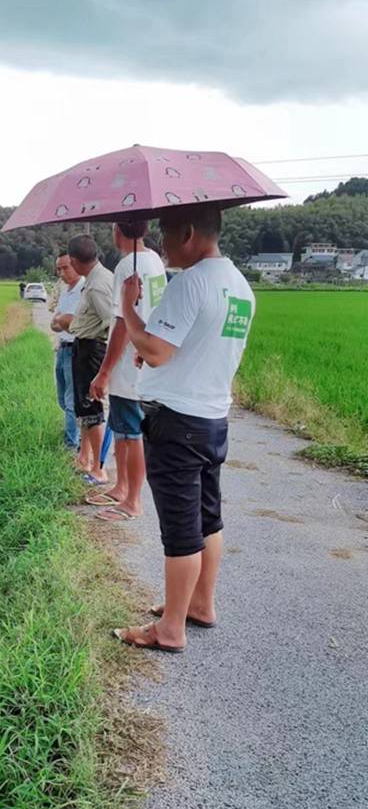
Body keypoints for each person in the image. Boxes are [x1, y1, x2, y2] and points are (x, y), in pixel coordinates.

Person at [112, 202, 255, 653]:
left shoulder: (190, 283)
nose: (164, 246)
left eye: (168, 235)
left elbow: (154, 349)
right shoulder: (240, 287)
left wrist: (128, 309)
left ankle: (170, 629)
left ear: (189, 232)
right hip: (214, 419)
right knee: (208, 519)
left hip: (177, 423)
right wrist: (152, 352)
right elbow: (194, 347)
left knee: (180, 529)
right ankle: (200, 604)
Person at [88, 220, 166, 520]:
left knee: (131, 433)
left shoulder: (126, 267)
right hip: (142, 358)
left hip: (129, 362)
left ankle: (132, 500)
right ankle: (121, 487)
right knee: (122, 428)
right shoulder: (155, 260)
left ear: (117, 232)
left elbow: (122, 323)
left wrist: (104, 371)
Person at [52, 234, 114, 485]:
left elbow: (112, 324)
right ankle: (84, 457)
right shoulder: (95, 279)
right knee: (82, 407)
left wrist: (71, 322)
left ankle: (99, 468)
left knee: (91, 408)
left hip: (92, 348)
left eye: (68, 264)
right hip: (82, 346)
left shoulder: (98, 284)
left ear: (76, 261)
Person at [50, 255, 84, 451]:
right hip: (62, 347)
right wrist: (62, 321)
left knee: (71, 399)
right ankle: (77, 435)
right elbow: (55, 323)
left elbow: (72, 323)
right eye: (59, 269)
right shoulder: (65, 291)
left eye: (65, 268)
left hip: (75, 349)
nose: (61, 273)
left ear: (76, 265)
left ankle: (72, 444)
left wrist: (62, 321)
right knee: (62, 398)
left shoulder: (84, 289)